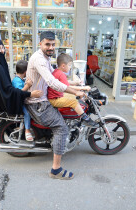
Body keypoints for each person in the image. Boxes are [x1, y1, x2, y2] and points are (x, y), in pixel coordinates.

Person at [26, 31, 84, 180]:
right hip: (38, 103)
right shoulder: (39, 59)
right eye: (47, 44)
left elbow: (56, 77)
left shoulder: (46, 59)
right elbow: (52, 83)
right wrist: (75, 92)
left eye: (52, 44)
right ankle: (56, 169)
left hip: (42, 100)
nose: (50, 47)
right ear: (40, 44)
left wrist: (77, 85)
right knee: (61, 128)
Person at [0, 38, 42, 117]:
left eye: (2, 47)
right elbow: (7, 91)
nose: (2, 51)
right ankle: (27, 129)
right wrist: (30, 94)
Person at [47, 53, 98, 127]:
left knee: (72, 96)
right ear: (63, 65)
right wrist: (83, 88)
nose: (70, 67)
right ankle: (84, 118)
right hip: (54, 100)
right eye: (70, 65)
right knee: (73, 101)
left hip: (55, 97)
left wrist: (75, 82)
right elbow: (67, 88)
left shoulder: (57, 72)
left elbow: (66, 83)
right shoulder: (61, 74)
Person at [12, 60, 33, 141]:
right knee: (27, 113)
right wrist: (27, 85)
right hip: (18, 103)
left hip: (22, 101)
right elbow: (20, 93)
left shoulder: (20, 79)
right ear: (26, 72)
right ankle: (27, 130)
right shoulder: (16, 81)